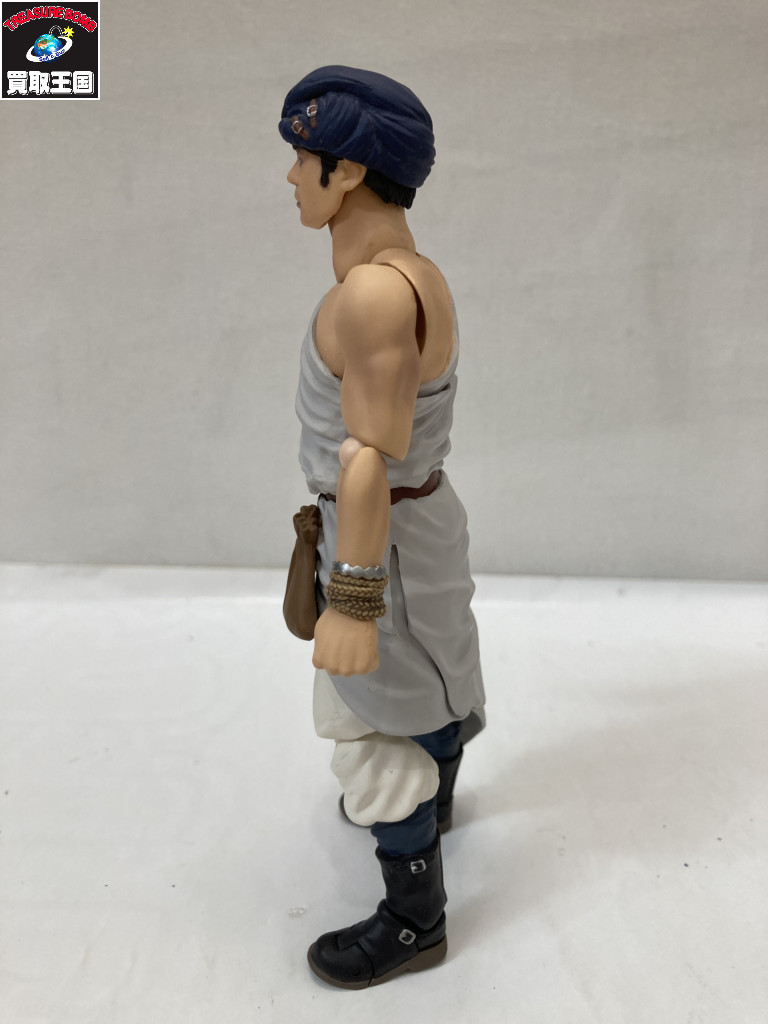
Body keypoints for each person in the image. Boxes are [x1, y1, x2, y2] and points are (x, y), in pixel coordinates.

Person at [279, 66, 485, 990]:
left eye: (304, 157)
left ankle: (413, 918)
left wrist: (353, 602)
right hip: (423, 518)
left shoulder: (370, 295)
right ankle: (434, 803)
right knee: (437, 667)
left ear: (349, 170)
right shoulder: (417, 274)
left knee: (364, 719)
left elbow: (366, 454)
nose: (292, 177)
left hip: (381, 535)